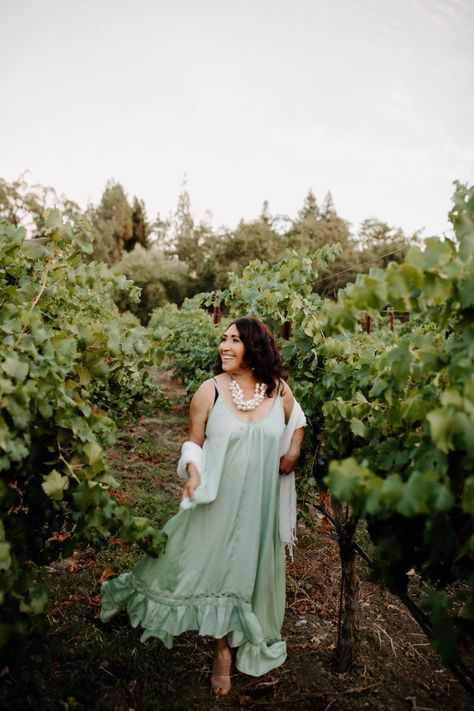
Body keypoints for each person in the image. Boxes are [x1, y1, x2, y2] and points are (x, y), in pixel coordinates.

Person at [100, 316, 305, 697]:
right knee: (183, 560)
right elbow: (193, 443)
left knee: (241, 568)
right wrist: (193, 474)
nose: (224, 346)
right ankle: (134, 597)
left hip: (258, 502)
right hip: (217, 496)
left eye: (234, 341)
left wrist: (292, 451)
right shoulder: (208, 391)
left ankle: (223, 649)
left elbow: (298, 420)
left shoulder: (277, 390)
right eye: (223, 340)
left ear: (255, 348)